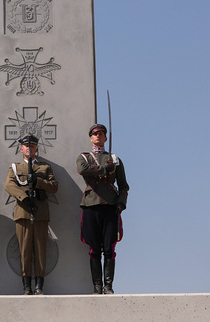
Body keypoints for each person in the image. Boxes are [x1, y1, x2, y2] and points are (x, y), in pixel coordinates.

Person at [76, 123, 129, 294]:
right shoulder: (84, 157)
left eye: (101, 134)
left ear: (105, 138)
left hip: (110, 205)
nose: (98, 136)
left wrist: (121, 203)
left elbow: (124, 186)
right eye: (95, 134)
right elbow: (83, 170)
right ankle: (97, 286)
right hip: (91, 204)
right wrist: (103, 169)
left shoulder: (115, 159)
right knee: (93, 248)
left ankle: (108, 286)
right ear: (91, 138)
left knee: (109, 248)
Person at [4, 134, 58, 295]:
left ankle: (39, 286)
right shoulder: (15, 167)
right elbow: (9, 185)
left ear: (36, 148)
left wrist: (39, 182)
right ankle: (26, 286)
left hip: (41, 213)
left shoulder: (45, 167)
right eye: (26, 146)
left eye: (32, 146)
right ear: (21, 149)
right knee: (25, 250)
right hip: (23, 212)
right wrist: (24, 198)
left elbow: (54, 187)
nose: (29, 148)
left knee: (41, 250)